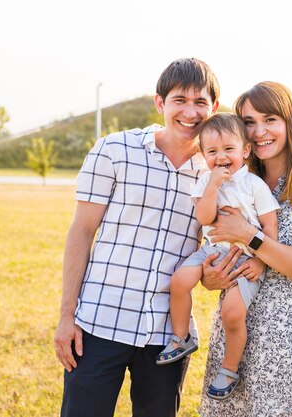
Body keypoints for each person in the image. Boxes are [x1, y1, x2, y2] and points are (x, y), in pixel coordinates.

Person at [53, 57, 220, 417]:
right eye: (180, 100)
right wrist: (67, 316)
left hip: (166, 335)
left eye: (200, 102)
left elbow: (214, 247)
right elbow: (81, 232)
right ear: (160, 103)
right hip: (98, 322)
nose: (190, 112)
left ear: (214, 108)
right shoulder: (114, 151)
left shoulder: (216, 173)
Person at [198, 81, 292, 416]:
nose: (259, 131)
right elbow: (214, 241)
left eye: (270, 120)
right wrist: (210, 276)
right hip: (234, 326)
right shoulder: (234, 180)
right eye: (249, 122)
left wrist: (250, 235)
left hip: (282, 334)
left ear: (289, 122)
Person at [155, 113, 279, 400]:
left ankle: (229, 369)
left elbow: (270, 226)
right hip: (213, 250)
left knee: (232, 314)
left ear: (245, 151)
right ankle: (181, 336)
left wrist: (260, 261)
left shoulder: (254, 185)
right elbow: (205, 217)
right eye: (212, 151)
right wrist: (212, 186)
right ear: (203, 154)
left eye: (228, 150)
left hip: (246, 257)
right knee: (180, 281)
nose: (221, 157)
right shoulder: (205, 183)